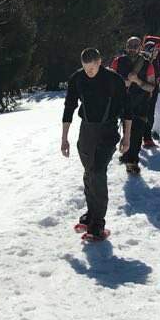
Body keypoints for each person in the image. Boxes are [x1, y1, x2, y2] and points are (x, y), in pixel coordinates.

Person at [61, 47, 131, 242]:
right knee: (89, 172)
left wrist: (127, 137)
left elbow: (127, 110)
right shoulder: (77, 78)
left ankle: (98, 225)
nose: (88, 73)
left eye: (91, 69)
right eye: (85, 69)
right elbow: (69, 107)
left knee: (98, 172)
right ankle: (92, 213)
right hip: (86, 130)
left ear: (100, 62)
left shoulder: (114, 80)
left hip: (107, 131)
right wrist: (64, 137)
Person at [112, 36, 156, 175]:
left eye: (135, 45)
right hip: (124, 104)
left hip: (141, 104)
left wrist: (137, 81)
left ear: (140, 47)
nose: (132, 48)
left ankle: (132, 162)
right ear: (126, 46)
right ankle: (127, 155)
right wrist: (122, 83)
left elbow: (151, 87)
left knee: (136, 133)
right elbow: (110, 81)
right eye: (130, 45)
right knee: (127, 131)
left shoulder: (147, 64)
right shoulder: (117, 62)